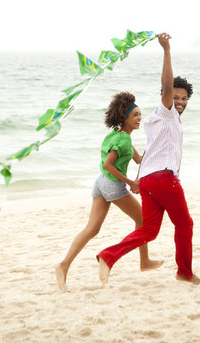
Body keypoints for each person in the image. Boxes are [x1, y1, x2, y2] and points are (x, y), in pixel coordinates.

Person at [96, 32, 200, 285]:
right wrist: (166, 50)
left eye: (184, 98)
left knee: (149, 231)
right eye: (175, 97)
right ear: (166, 97)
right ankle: (184, 272)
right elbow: (166, 86)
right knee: (185, 224)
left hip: (147, 181)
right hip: (163, 179)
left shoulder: (163, 119)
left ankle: (108, 256)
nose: (179, 101)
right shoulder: (164, 113)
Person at [55, 92, 163, 290]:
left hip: (100, 183)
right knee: (144, 221)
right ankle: (144, 261)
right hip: (112, 185)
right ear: (124, 118)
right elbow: (109, 164)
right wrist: (131, 182)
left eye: (140, 114)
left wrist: (156, 143)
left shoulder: (119, 135)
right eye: (135, 115)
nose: (139, 118)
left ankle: (63, 266)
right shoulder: (123, 140)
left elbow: (140, 160)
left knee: (92, 229)